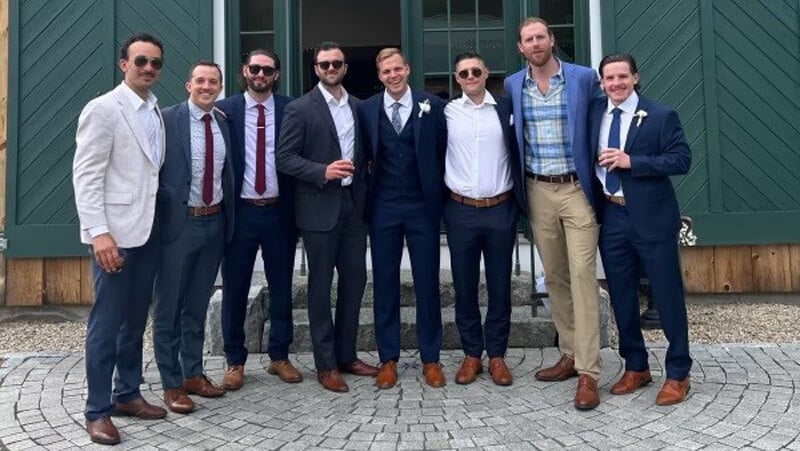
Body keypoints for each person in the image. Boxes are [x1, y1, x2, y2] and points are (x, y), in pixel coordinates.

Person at [73, 32, 168, 445]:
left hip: (148, 232)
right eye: (141, 61)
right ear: (124, 64)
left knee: (135, 320)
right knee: (107, 324)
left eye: (155, 63)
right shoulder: (104, 109)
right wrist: (99, 233)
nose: (149, 68)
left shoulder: (155, 109)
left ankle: (127, 393)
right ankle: (97, 410)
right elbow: (86, 175)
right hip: (114, 236)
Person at [504, 17, 603, 410]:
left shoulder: (583, 78)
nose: (535, 44)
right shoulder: (513, 85)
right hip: (538, 190)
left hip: (577, 189)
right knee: (556, 276)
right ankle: (569, 352)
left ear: (551, 40)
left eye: (540, 37)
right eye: (528, 39)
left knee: (582, 274)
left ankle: (589, 371)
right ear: (521, 48)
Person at [276, 41, 379, 393]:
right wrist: (322, 171)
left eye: (336, 63)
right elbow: (284, 157)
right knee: (320, 286)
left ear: (345, 67)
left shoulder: (360, 107)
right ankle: (326, 364)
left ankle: (347, 354)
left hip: (354, 206)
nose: (331, 69)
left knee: (355, 281)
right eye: (324, 64)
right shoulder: (300, 109)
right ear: (316, 69)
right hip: (319, 206)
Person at [590, 53, 692, 405]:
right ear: (601, 83)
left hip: (652, 218)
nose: (616, 83)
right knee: (621, 295)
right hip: (612, 216)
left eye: (622, 76)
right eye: (609, 78)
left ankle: (678, 372)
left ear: (635, 77)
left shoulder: (660, 115)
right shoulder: (595, 114)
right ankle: (636, 366)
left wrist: (632, 161)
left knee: (666, 295)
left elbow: (682, 159)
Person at [357, 48, 448, 389]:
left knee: (428, 282)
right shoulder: (366, 109)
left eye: (397, 69)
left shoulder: (432, 106)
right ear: (379, 76)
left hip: (422, 206)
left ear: (407, 69)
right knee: (384, 284)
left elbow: (443, 150)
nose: (393, 76)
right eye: (386, 71)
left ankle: (431, 358)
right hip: (383, 207)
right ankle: (388, 358)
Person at [152, 61, 234, 413]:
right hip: (178, 225)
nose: (206, 87)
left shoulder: (223, 122)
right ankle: (171, 384)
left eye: (213, 82)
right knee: (168, 307)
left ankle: (193, 374)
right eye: (200, 81)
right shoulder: (167, 120)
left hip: (214, 222)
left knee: (197, 305)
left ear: (220, 87)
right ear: (188, 85)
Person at [216, 49, 300, 390]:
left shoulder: (292, 109)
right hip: (241, 213)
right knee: (234, 288)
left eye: (267, 70)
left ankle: (280, 356)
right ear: (245, 71)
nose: (260, 74)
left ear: (276, 74)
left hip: (280, 211)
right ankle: (235, 360)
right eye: (255, 68)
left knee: (282, 286)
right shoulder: (225, 111)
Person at [444, 52, 526, 386]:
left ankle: (497, 355)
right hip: (460, 209)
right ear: (457, 78)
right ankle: (471, 354)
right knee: (464, 286)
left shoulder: (506, 109)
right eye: (464, 73)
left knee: (499, 285)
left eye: (476, 71)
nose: (470, 77)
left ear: (486, 73)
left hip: (500, 208)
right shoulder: (446, 112)